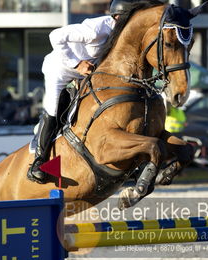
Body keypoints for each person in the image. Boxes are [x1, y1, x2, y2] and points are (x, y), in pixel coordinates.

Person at [27, 0, 137, 183]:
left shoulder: (123, 34)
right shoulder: (96, 29)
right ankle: (38, 163)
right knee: (54, 110)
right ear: (118, 17)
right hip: (60, 69)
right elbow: (55, 36)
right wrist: (77, 64)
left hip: (85, 74)